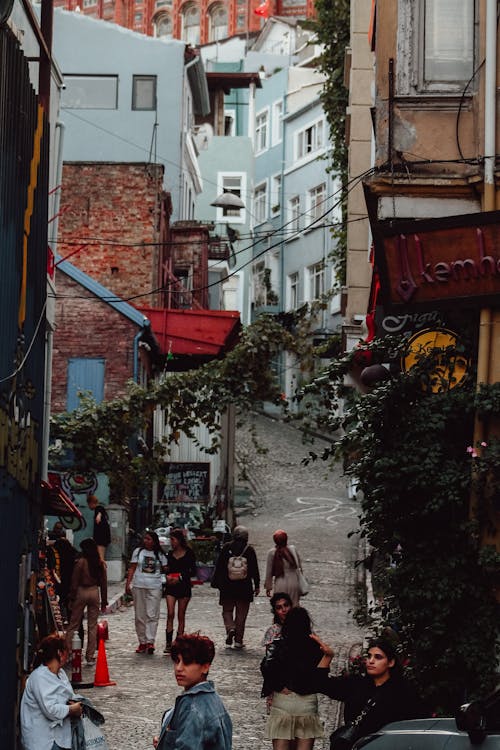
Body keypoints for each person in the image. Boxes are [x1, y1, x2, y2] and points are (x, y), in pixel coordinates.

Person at [310, 634, 427, 738]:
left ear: (390, 663)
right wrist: (327, 657)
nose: (371, 661)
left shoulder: (402, 692)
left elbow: (416, 725)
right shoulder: (356, 684)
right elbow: (321, 684)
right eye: (369, 656)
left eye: (378, 657)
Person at [260, 607, 328, 750]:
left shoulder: (278, 645)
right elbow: (320, 678)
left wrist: (278, 686)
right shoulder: (315, 647)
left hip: (283, 702)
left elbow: (267, 667)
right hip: (307, 703)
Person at [153, 633, 232, 750]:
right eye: (177, 661)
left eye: (187, 662)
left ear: (205, 667)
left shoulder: (192, 707)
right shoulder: (212, 699)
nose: (178, 668)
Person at [20, 633, 83, 750]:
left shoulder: (61, 674)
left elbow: (68, 695)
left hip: (59, 738)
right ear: (60, 653)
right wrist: (71, 709)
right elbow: (50, 710)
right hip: (42, 741)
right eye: (66, 652)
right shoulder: (39, 677)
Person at [211, 525, 260, 649]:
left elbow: (220, 566)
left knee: (227, 611)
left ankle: (230, 628)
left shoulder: (227, 547)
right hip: (244, 587)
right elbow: (254, 569)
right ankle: (238, 640)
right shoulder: (249, 550)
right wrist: (257, 585)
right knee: (241, 615)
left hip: (227, 586)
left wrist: (216, 582)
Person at [65, 537, 108, 665]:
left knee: (73, 624)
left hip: (81, 591)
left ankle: (68, 653)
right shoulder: (100, 563)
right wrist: (104, 601)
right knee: (92, 626)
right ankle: (90, 656)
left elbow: (74, 581)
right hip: (95, 592)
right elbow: (104, 584)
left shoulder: (81, 562)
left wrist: (71, 597)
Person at [125, 530, 168, 655]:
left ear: (154, 541)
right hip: (139, 585)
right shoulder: (138, 552)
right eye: (145, 539)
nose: (146, 541)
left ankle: (150, 641)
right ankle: (142, 641)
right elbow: (132, 568)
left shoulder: (160, 554)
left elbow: (166, 568)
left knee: (152, 614)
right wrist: (128, 584)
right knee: (140, 615)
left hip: (154, 586)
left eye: (149, 539)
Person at [163, 528, 197, 655]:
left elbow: (193, 571)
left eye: (173, 539)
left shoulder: (189, 554)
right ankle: (168, 642)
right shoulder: (169, 554)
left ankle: (179, 642)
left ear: (179, 540)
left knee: (181, 615)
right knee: (170, 613)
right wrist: (167, 576)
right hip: (171, 587)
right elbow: (166, 569)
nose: (171, 542)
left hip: (183, 587)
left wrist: (180, 577)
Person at [46, 522, 77, 623]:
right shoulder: (71, 552)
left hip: (60, 579)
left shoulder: (57, 549)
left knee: (59, 600)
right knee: (68, 602)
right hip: (69, 580)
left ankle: (59, 618)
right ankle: (67, 617)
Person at [265, 529, 304, 606]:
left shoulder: (272, 552)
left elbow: (269, 572)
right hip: (293, 581)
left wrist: (268, 587)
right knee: (294, 605)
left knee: (281, 606)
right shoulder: (293, 549)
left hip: (280, 581)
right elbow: (299, 567)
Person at [86, 493, 111, 561]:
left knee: (101, 558)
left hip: (101, 538)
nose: (88, 506)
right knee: (101, 558)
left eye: (88, 504)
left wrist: (99, 515)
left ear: (91, 503)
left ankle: (102, 571)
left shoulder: (98, 508)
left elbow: (101, 510)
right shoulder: (99, 510)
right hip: (103, 538)